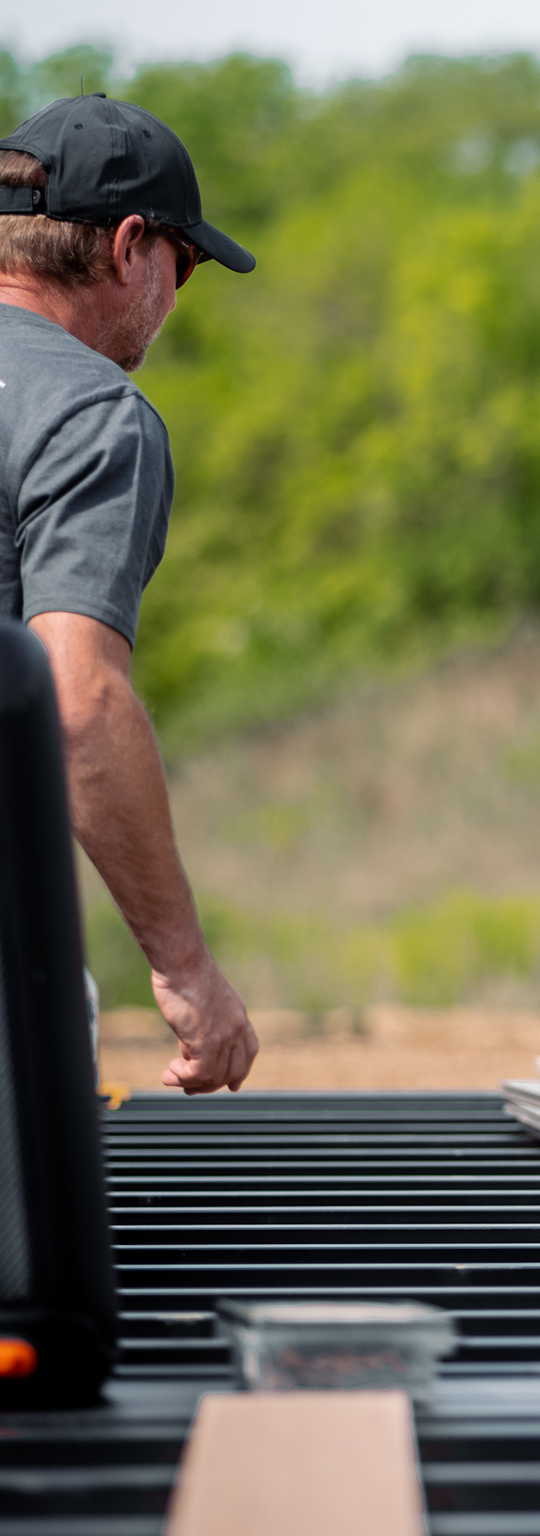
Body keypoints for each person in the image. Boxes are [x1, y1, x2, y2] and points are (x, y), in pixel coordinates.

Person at [0, 96, 258, 1094]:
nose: (177, 295)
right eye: (184, 266)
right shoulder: (90, 413)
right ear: (127, 246)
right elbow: (78, 701)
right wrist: (185, 966)